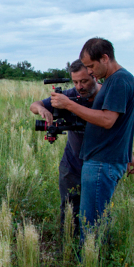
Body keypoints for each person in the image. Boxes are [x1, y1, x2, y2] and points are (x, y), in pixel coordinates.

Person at [50, 38, 134, 237]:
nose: (89, 71)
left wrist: (69, 105)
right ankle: (91, 262)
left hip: (102, 162)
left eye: (91, 66)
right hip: (102, 159)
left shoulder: (119, 81)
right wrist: (127, 154)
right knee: (93, 220)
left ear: (105, 58)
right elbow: (119, 127)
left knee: (91, 225)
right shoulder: (115, 81)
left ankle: (90, 265)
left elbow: (107, 121)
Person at [30, 59, 101, 236]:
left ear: (95, 75)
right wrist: (41, 109)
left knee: (97, 209)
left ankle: (93, 246)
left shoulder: (106, 96)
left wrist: (129, 154)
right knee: (69, 207)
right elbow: (34, 105)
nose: (79, 86)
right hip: (73, 162)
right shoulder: (69, 95)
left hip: (99, 162)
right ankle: (68, 243)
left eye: (84, 81)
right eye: (75, 82)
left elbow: (119, 129)